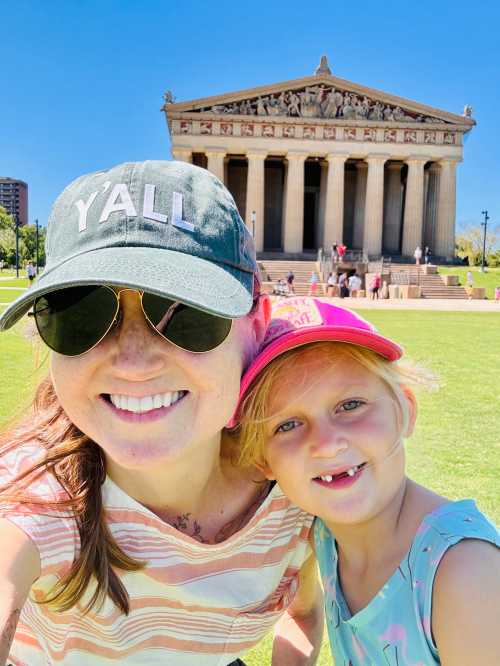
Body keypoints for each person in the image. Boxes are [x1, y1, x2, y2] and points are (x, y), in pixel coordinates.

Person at [0, 161, 323, 666]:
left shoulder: (295, 495)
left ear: (256, 327)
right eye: (80, 314)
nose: (132, 361)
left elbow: (304, 610)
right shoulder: (35, 498)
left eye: (185, 312)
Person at [230, 297, 500, 665]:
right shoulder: (321, 532)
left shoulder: (465, 573)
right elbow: (300, 613)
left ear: (405, 410)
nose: (326, 445)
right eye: (287, 425)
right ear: (264, 461)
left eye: (351, 405)